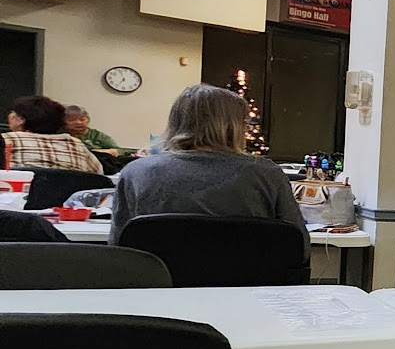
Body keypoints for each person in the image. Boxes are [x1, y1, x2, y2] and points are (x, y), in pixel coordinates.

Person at [111, 84, 304, 241]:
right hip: (249, 277)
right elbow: (298, 245)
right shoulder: (266, 174)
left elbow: (119, 246)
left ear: (176, 123)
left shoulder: (136, 173)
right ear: (234, 127)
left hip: (159, 277)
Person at [4, 94, 102, 174]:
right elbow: (99, 176)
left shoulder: (7, 140)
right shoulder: (76, 145)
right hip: (67, 192)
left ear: (20, 120)